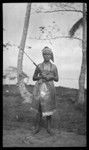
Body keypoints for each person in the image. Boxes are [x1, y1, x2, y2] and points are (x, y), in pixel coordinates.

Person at [32, 46, 59, 135]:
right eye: (45, 54)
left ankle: (49, 128)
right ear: (43, 55)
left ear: (51, 56)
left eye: (48, 54)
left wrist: (50, 77)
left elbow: (57, 79)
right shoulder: (39, 66)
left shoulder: (54, 67)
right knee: (40, 108)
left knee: (49, 108)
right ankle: (37, 127)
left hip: (50, 88)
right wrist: (40, 76)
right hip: (40, 88)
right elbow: (34, 78)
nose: (47, 56)